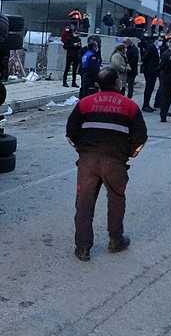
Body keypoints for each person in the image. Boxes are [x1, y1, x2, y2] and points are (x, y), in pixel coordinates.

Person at [66, 67, 148, 261]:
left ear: (98, 84)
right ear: (117, 83)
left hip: (88, 161)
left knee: (84, 203)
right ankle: (115, 239)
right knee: (117, 199)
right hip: (115, 162)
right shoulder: (130, 106)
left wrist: (83, 150)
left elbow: (70, 132)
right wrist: (128, 154)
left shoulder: (84, 103)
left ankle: (82, 248)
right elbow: (141, 138)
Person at [141, 37, 162, 112]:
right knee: (149, 88)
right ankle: (145, 105)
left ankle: (147, 104)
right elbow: (145, 58)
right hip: (150, 71)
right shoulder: (151, 47)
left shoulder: (155, 48)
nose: (160, 41)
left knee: (150, 88)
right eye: (159, 40)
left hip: (152, 70)